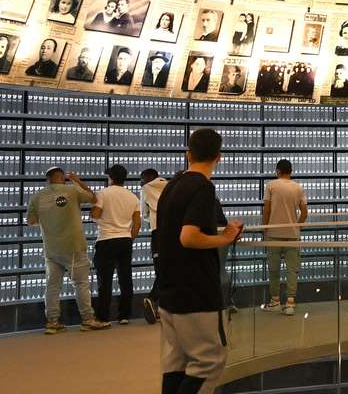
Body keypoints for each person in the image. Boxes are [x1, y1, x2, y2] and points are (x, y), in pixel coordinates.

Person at [152, 129, 243, 393]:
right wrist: (225, 238)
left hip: (170, 292)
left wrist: (216, 235)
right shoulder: (203, 187)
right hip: (196, 294)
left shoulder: (172, 185)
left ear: (188, 154)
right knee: (209, 362)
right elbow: (189, 236)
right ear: (219, 157)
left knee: (175, 364)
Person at [27, 167, 109, 333]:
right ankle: (87, 319)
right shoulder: (72, 191)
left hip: (51, 248)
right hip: (73, 246)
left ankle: (52, 322)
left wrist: (50, 219)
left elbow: (31, 221)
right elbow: (94, 198)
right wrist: (77, 181)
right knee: (80, 284)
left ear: (47, 179)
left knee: (52, 286)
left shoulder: (37, 196)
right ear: (62, 177)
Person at [92, 165, 140, 325]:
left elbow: (96, 215)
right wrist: (129, 238)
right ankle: (124, 315)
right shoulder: (133, 197)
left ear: (110, 178)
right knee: (125, 278)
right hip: (125, 240)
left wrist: (97, 216)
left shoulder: (103, 193)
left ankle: (103, 316)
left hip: (106, 239)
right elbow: (137, 223)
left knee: (105, 280)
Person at [262, 159, 309, 315]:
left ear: (277, 171)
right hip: (293, 235)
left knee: (274, 269)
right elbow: (304, 212)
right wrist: (297, 226)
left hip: (274, 233)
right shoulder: (298, 188)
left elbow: (267, 210)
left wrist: (265, 229)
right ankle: (290, 303)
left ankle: (275, 301)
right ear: (291, 172)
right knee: (292, 270)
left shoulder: (270, 186)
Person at [139, 169, 169, 323]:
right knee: (169, 270)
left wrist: (150, 217)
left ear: (149, 178)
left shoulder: (146, 188)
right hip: (174, 233)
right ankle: (161, 310)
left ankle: (152, 298)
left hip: (158, 233)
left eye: (142, 179)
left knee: (160, 271)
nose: (141, 182)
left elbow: (143, 213)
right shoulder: (171, 186)